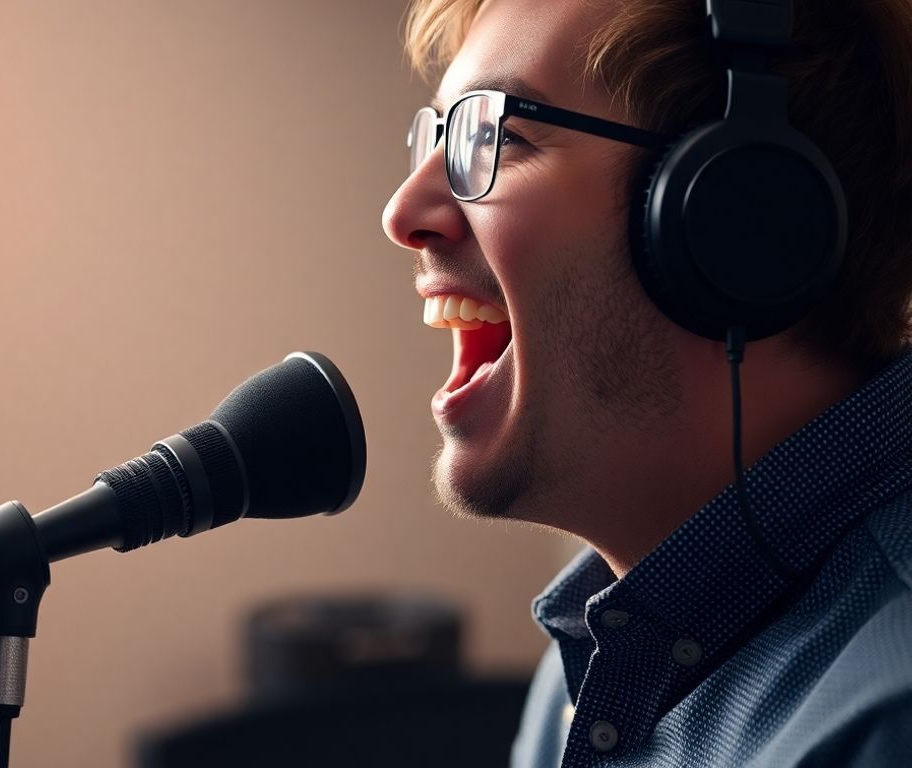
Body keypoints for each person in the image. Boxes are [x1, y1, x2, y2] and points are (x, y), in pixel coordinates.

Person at [381, 0, 912, 764]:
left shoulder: (887, 717)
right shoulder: (597, 664)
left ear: (738, 215)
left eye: (497, 134)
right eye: (437, 136)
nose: (403, 211)